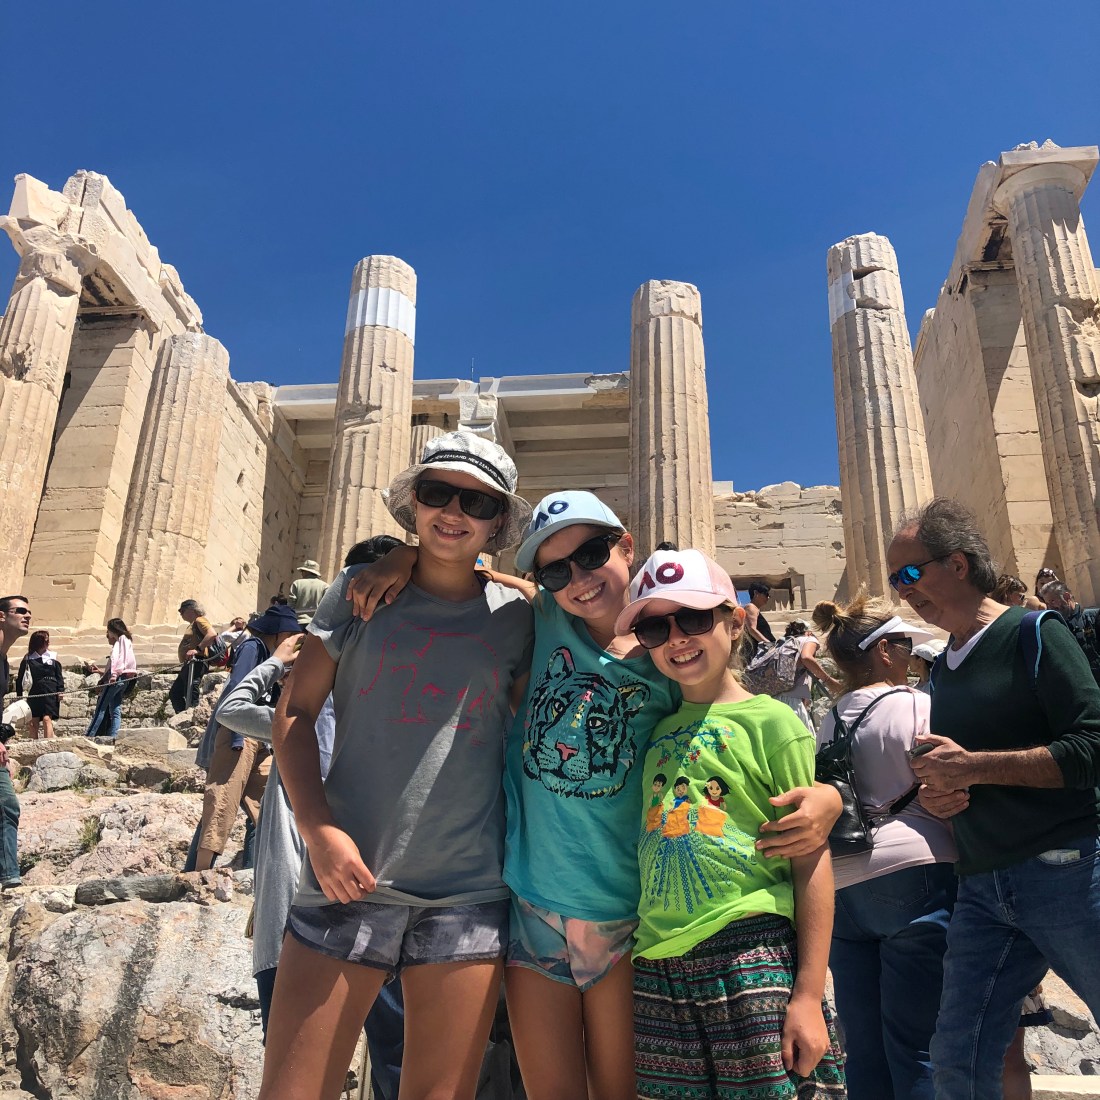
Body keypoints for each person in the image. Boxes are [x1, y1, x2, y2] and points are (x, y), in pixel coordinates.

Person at [347, 490, 842, 1100]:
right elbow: (482, 575)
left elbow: (725, 735)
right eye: (555, 571)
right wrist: (403, 555)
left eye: (591, 555)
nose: (577, 579)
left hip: (631, 920)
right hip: (534, 906)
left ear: (626, 546)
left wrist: (827, 796)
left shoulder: (668, 662)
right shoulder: (547, 617)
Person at [258, 431, 534, 1100]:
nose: (454, 511)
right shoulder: (357, 594)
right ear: (415, 501)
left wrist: (418, 558)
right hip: (347, 875)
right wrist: (318, 831)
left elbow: (574, 606)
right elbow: (295, 712)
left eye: (476, 502)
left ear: (498, 521)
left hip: (469, 890)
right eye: (438, 493)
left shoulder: (518, 617)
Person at [887, 497, 1100, 1100]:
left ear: (957, 564)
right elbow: (970, 773)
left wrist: (974, 767)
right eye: (894, 580)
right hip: (982, 887)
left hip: (1065, 870)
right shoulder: (942, 668)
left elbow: (1091, 748)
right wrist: (944, 793)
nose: (902, 590)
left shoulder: (1034, 633)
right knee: (958, 1058)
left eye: (909, 573)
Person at [618, 549, 846, 1099]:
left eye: (694, 618)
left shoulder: (773, 723)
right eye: (656, 627)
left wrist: (808, 994)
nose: (677, 638)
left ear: (736, 621)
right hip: (656, 959)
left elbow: (810, 856)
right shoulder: (654, 729)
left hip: (750, 950)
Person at [219, 533, 406, 1099]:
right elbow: (234, 710)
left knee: (321, 1061)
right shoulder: (297, 716)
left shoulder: (363, 704)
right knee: (376, 1059)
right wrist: (280, 662)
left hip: (350, 899)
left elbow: (232, 708)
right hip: (319, 903)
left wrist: (274, 662)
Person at [813, 595, 956, 1100]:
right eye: (904, 645)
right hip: (915, 872)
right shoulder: (917, 703)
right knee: (918, 1047)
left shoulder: (830, 718)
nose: (911, 656)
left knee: (864, 1049)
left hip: (844, 883)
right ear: (884, 651)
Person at [192, 603, 303, 872]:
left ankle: (260, 868)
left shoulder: (271, 657)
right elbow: (236, 688)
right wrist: (235, 736)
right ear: (279, 634)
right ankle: (199, 873)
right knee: (223, 799)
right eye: (290, 635)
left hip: (259, 741)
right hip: (238, 734)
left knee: (268, 802)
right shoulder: (253, 647)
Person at [0, 596, 30, 889]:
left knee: (7, 805)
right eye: (20, 611)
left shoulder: (4, 660)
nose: (27, 615)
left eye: (29, 611)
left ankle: (9, 875)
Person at [774, 620, 843, 730]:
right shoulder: (809, 639)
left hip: (774, 699)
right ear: (809, 632)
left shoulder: (783, 643)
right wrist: (828, 680)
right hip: (793, 702)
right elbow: (806, 657)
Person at [84, 619, 137, 740]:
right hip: (125, 678)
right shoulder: (128, 640)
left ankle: (89, 735)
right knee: (115, 710)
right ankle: (114, 736)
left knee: (101, 708)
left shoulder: (121, 640)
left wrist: (113, 675)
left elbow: (119, 659)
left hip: (117, 677)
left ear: (113, 630)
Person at [1039, 580, 1100, 688]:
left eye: (1052, 601)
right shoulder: (1057, 625)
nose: (1050, 607)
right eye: (1047, 603)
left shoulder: (1094, 617)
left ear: (1066, 597)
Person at [169, 599, 217, 713]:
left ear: (191, 609)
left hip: (197, 661)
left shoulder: (200, 620)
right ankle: (183, 715)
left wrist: (197, 649)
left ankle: (191, 713)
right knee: (175, 693)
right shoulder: (192, 624)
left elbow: (212, 634)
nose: (180, 613)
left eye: (182, 610)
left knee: (191, 687)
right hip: (189, 663)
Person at [16, 629, 64, 739]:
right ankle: (34, 743)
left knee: (47, 719)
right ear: (38, 642)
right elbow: (20, 678)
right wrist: (19, 695)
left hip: (50, 690)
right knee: (33, 721)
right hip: (34, 690)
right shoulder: (28, 657)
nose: (48, 643)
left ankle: (48, 743)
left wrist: (60, 690)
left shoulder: (53, 655)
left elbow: (59, 675)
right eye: (46, 640)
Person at [288, 560, 328, 626]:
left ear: (307, 572)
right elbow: (326, 606)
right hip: (315, 624)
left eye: (302, 571)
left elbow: (291, 604)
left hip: (298, 622)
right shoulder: (325, 586)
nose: (301, 573)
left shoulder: (297, 583)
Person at [744, 580, 776, 648]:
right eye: (766, 594)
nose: (768, 597)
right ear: (756, 593)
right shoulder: (750, 607)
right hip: (759, 650)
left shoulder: (755, 609)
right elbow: (752, 629)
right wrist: (769, 645)